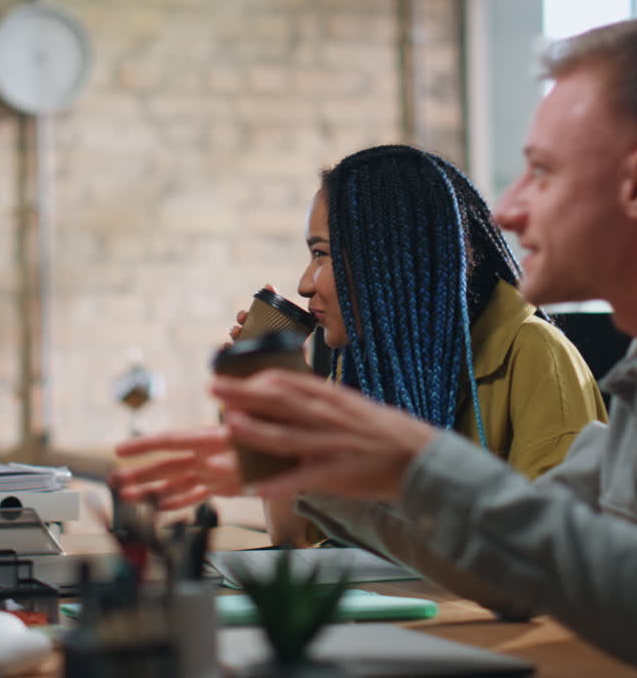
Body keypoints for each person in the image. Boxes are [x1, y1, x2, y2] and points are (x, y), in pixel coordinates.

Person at [116, 18, 637, 676]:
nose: (510, 210)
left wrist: (414, 458)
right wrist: (331, 474)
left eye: (541, 173)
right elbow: (528, 566)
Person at [113, 145, 606, 545]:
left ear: (388, 261)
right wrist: (284, 412)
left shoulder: (537, 355)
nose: (305, 284)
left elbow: (554, 553)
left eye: (321, 255)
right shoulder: (363, 366)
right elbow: (294, 538)